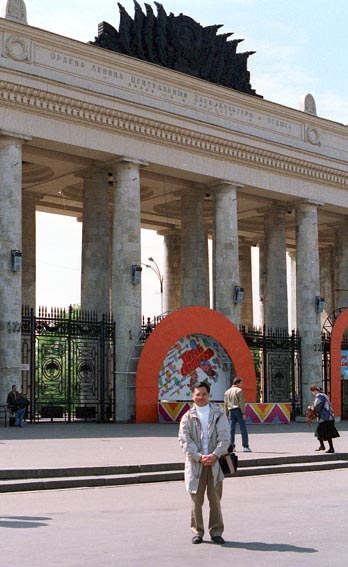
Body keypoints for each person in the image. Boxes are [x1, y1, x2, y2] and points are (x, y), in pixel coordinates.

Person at [178, 381, 230, 545]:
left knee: (215, 500)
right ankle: (197, 532)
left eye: (204, 394)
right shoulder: (187, 416)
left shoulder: (218, 413)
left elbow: (225, 437)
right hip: (196, 464)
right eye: (197, 394)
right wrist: (199, 457)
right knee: (196, 500)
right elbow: (185, 440)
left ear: (209, 395)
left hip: (215, 463)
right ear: (192, 396)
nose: (201, 397)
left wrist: (214, 455)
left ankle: (216, 531)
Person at [309, 384, 340, 453]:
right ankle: (326, 447)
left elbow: (317, 407)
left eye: (312, 391)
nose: (312, 393)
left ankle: (326, 447)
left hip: (325, 418)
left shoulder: (319, 396)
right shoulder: (324, 395)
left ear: (315, 391)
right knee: (325, 433)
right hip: (330, 417)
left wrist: (311, 408)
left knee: (321, 432)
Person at [224, 376, 251, 452]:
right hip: (238, 410)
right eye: (241, 383)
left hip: (231, 411)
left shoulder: (227, 392)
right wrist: (243, 413)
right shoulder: (239, 391)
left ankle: (231, 446)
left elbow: (225, 403)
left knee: (231, 429)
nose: (242, 384)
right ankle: (245, 446)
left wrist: (226, 413)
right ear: (237, 383)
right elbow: (241, 403)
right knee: (243, 429)